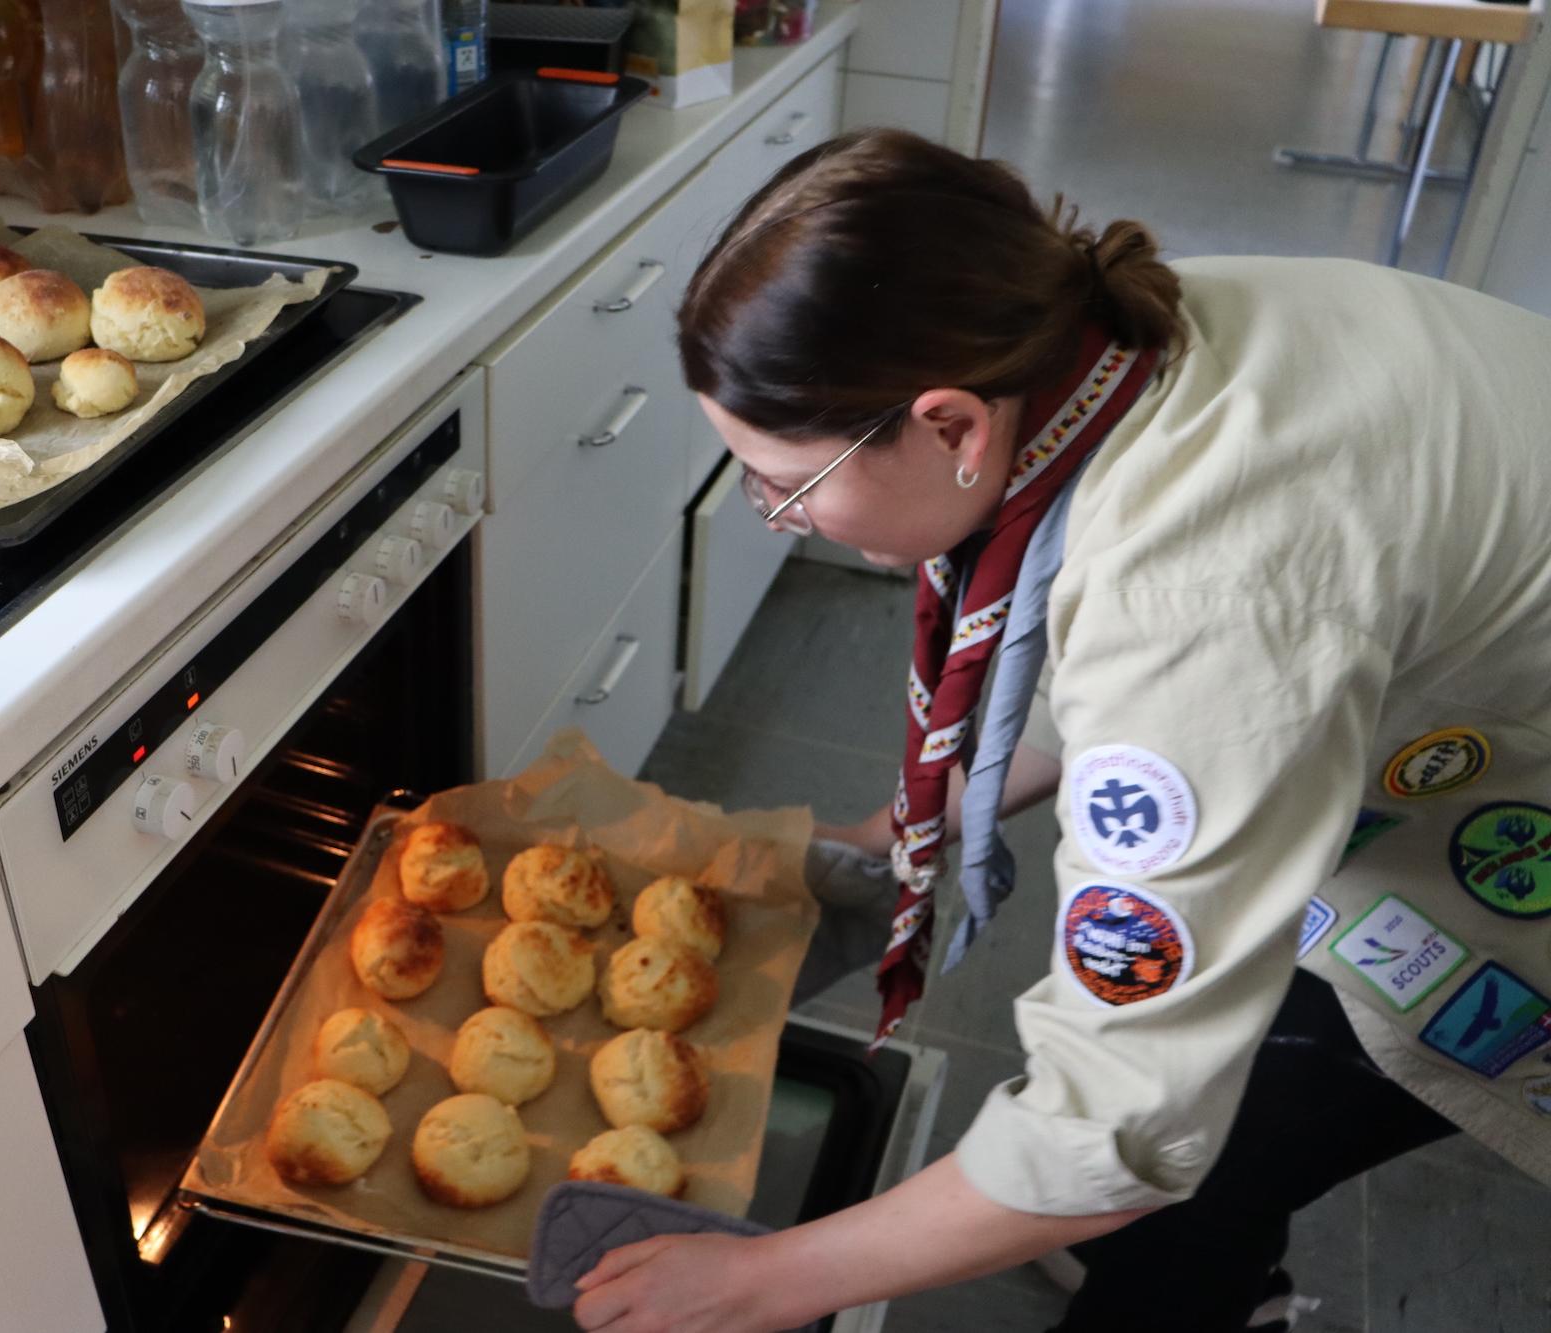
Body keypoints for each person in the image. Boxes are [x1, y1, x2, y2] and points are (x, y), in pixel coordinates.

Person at [570, 129, 1551, 1333]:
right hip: (1446, 697)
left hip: (1508, 819)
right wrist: (891, 830)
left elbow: (1123, 1112)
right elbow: (1102, 659)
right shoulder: (1103, 341)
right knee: (1206, 1149)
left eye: (783, 483)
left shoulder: (1199, 590)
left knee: (1224, 1125)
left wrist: (766, 1278)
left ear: (947, 428)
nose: (777, 521)